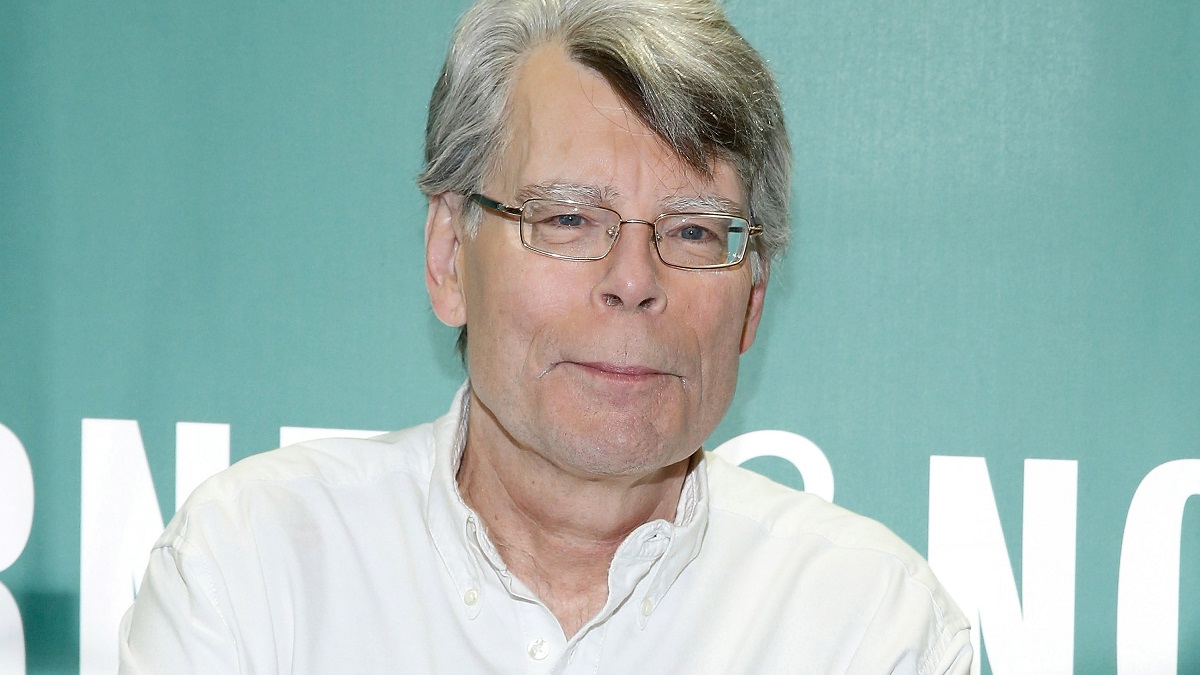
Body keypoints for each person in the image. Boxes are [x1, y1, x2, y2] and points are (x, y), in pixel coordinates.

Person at [120, 0, 972, 672]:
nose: (634, 281)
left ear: (753, 301)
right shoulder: (254, 569)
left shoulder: (875, 628)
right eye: (568, 218)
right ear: (450, 254)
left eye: (694, 232)